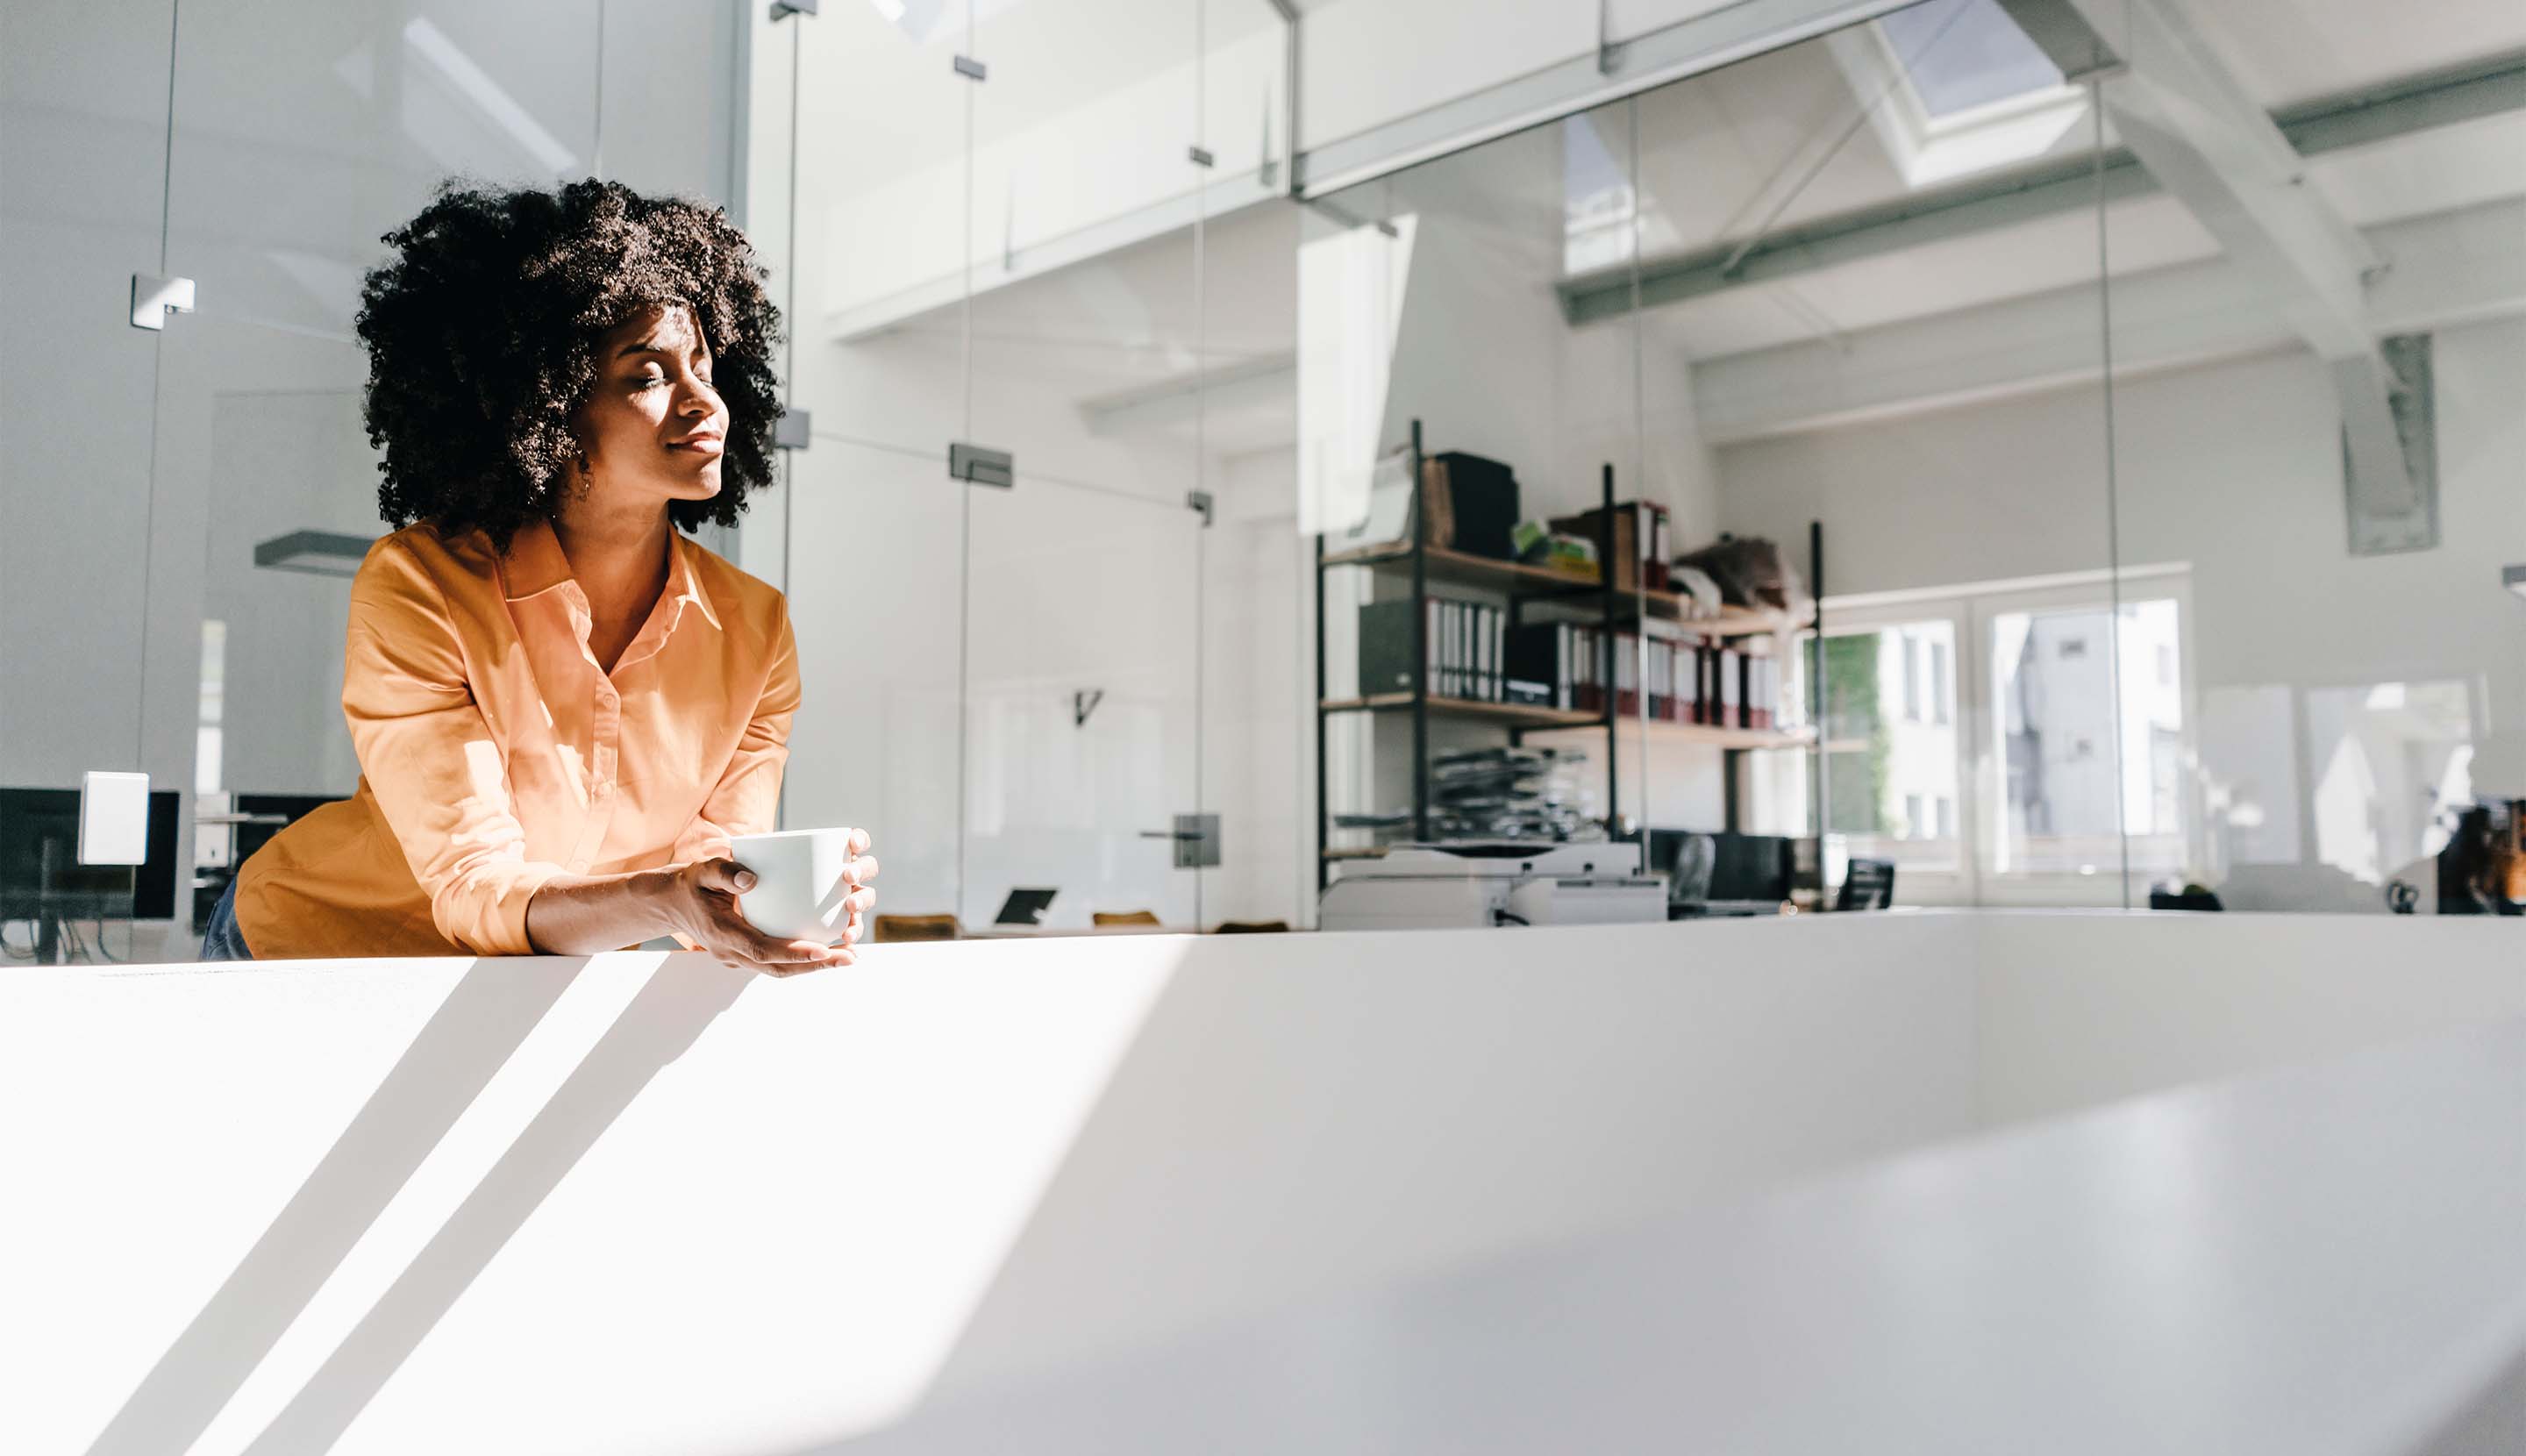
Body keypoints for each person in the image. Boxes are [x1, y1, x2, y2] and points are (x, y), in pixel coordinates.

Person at [200, 179, 874, 974]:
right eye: (648, 376)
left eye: (702, 364)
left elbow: (710, 870)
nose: (705, 402)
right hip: (314, 952)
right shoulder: (420, 585)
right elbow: (475, 883)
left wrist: (758, 901)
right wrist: (666, 899)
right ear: (547, 408)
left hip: (521, 983)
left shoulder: (756, 631)